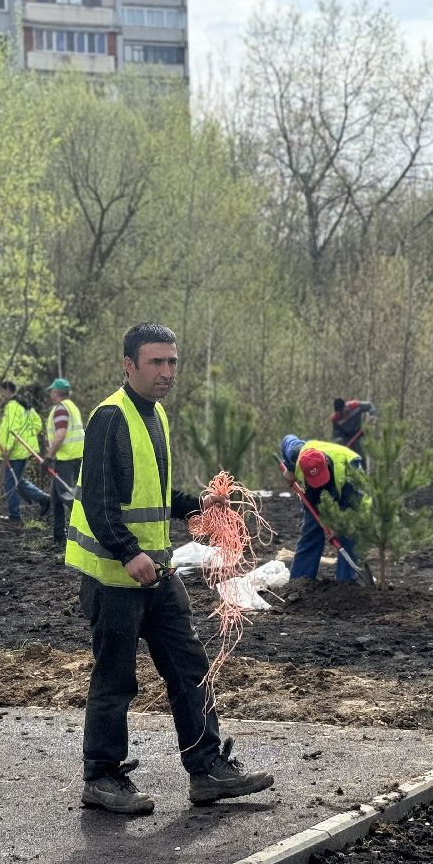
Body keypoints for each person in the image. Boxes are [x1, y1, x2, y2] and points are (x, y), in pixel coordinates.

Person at [67, 323, 275, 814]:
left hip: (156, 575)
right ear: (129, 365)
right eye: (156, 362)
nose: (166, 371)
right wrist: (127, 552)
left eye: (172, 362)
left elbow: (153, 496)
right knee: (115, 681)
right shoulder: (109, 418)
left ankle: (207, 770)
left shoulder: (155, 414)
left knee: (189, 667)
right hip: (115, 577)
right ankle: (101, 778)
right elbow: (97, 502)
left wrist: (197, 505)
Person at [279, 434, 364, 582]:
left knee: (347, 535)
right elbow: (287, 438)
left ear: (326, 462)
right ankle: (299, 584)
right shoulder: (295, 452)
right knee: (312, 531)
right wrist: (291, 469)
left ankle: (345, 586)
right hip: (314, 492)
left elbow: (356, 507)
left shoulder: (351, 471)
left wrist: (339, 527)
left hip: (345, 490)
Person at [0, 381, 48, 524]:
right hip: (23, 450)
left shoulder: (12, 406)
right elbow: (37, 423)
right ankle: (43, 498)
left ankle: (15, 516)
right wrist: (28, 437)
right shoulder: (25, 405)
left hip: (14, 452)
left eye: (2, 391)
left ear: (7, 390)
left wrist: (7, 449)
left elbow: (13, 430)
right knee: (18, 480)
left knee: (10, 483)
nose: (1, 394)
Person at [42, 378, 84, 550]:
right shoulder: (71, 407)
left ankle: (85, 533)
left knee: (68, 498)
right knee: (56, 498)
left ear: (56, 393)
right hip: (75, 456)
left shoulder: (61, 409)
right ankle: (59, 537)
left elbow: (60, 434)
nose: (50, 394)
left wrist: (48, 457)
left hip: (67, 458)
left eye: (52, 391)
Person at [330, 398, 377, 464]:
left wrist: (372, 416)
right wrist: (339, 442)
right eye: (338, 412)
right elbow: (336, 434)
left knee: (361, 457)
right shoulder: (335, 419)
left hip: (359, 433)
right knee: (349, 459)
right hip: (346, 438)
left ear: (345, 407)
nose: (340, 414)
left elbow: (369, 406)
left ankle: (363, 471)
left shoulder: (355, 406)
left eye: (341, 411)